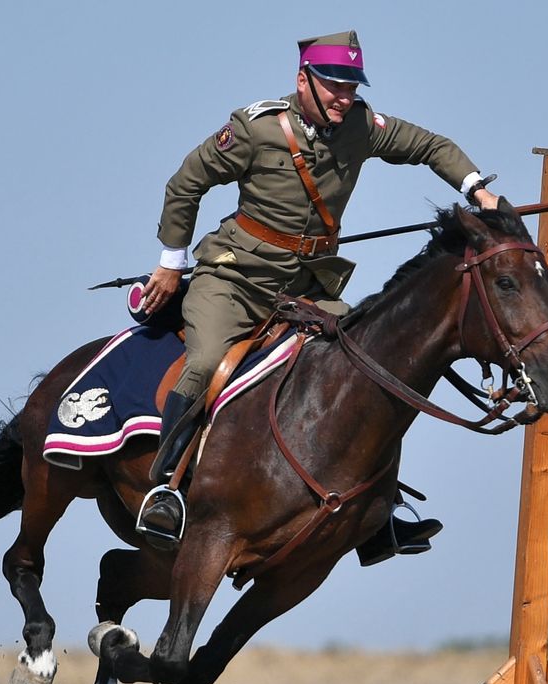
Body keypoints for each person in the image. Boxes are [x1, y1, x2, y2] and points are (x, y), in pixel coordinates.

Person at [136, 30, 499, 560]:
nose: (344, 96)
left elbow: (430, 147)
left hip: (308, 287)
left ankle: (381, 511)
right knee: (208, 359)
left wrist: (477, 190)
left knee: (373, 365)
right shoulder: (255, 128)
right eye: (334, 85)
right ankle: (164, 488)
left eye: (352, 85)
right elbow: (185, 184)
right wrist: (172, 264)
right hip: (234, 279)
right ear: (302, 80)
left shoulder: (360, 126)